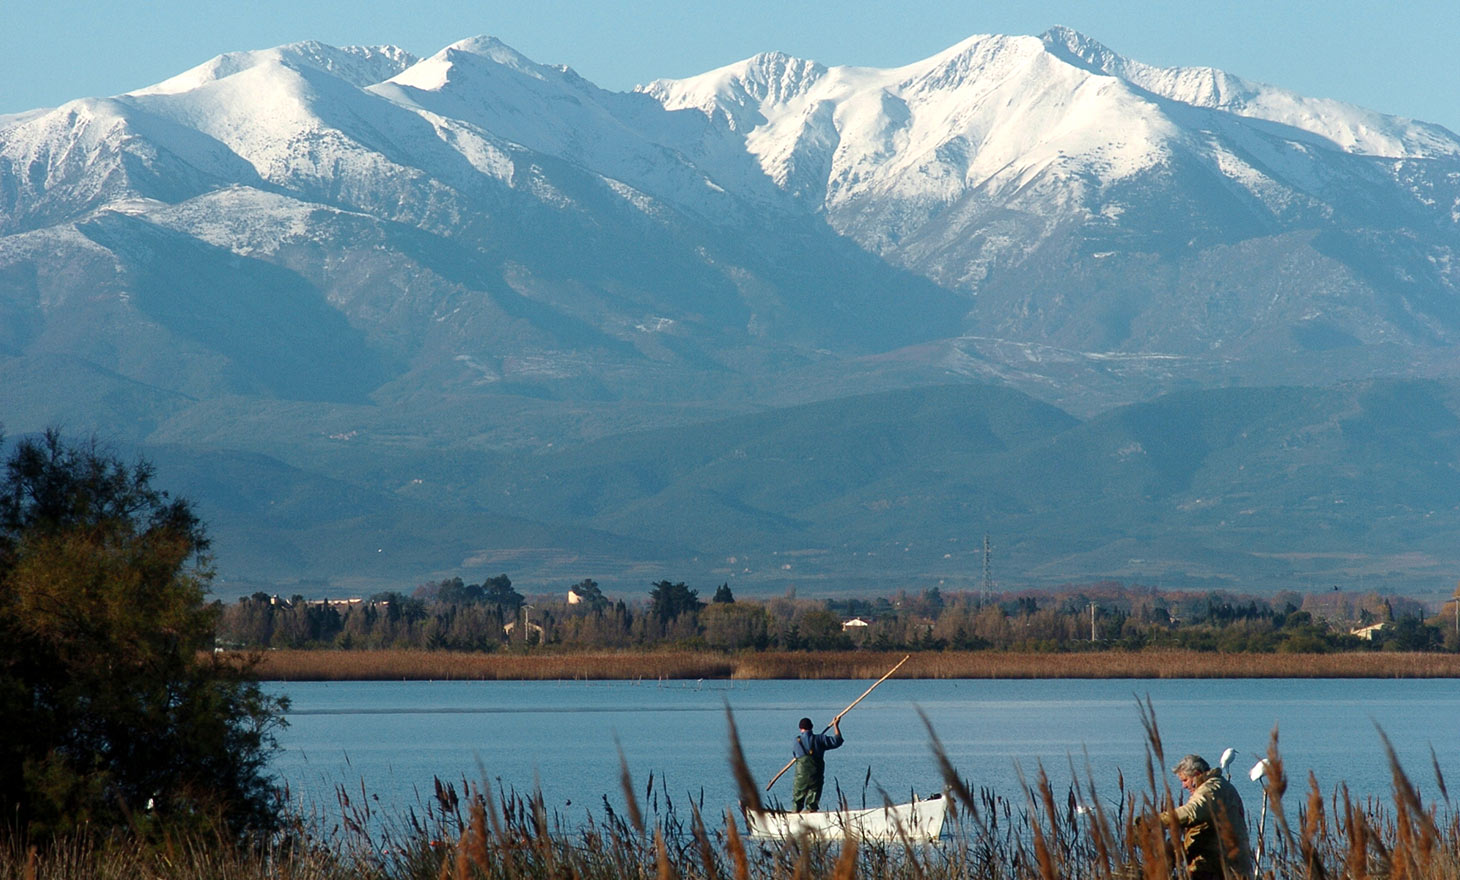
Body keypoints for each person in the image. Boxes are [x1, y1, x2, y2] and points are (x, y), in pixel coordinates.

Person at [1151, 754, 1255, 880]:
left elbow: (1191, 812)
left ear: (1196, 774)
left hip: (1223, 867)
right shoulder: (1219, 785)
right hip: (1227, 864)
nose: (1183, 786)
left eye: (1185, 780)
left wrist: (1156, 821)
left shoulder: (1211, 788)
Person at [790, 716, 843, 812]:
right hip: (816, 775)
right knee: (813, 801)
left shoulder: (796, 741)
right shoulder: (820, 739)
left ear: (800, 729)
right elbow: (838, 741)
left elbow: (795, 754)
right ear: (812, 727)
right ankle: (811, 812)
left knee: (797, 799)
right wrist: (836, 726)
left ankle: (794, 813)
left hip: (801, 776)